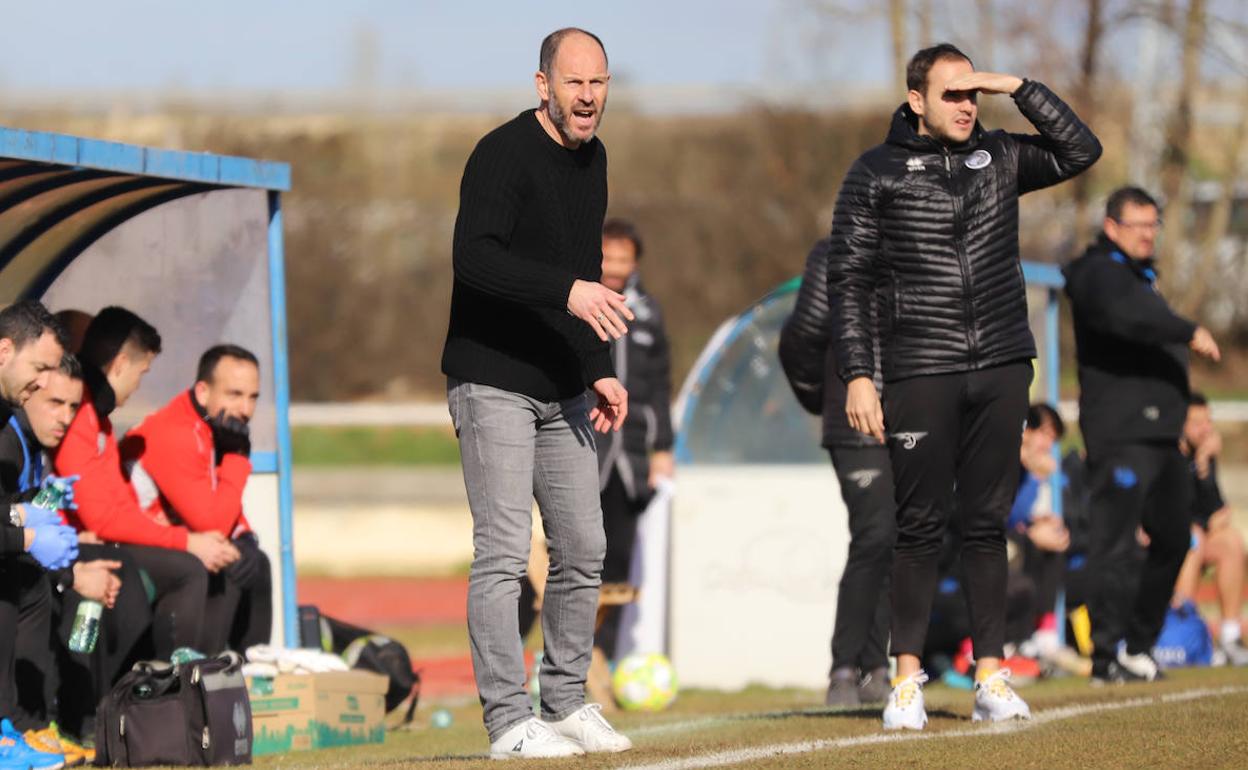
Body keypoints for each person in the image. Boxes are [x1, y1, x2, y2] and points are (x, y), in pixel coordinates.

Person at [827, 42, 1100, 728]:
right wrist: (859, 374)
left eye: (974, 92)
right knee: (917, 528)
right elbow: (848, 281)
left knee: (985, 524)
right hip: (920, 368)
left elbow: (1080, 151)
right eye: (952, 93)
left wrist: (1020, 86)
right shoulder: (874, 171)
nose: (966, 104)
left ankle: (990, 677)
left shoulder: (1001, 156)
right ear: (915, 99)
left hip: (1004, 362)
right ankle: (907, 680)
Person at [440, 27, 633, 759]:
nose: (588, 97)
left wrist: (598, 367)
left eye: (600, 82)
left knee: (585, 546)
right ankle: (507, 721)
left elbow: (579, 273)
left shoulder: (596, 160)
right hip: (492, 379)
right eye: (575, 82)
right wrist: (571, 291)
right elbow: (475, 259)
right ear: (542, 85)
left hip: (562, 384)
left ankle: (565, 700)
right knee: (503, 551)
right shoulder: (502, 153)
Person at [1064, 186, 1221, 684]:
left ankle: (1138, 644)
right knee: (1116, 545)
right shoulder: (1097, 273)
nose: (1149, 234)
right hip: (1121, 435)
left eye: (1155, 224)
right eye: (1140, 225)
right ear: (1112, 227)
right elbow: (1126, 318)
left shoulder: (1142, 279)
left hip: (1161, 437)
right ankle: (1105, 655)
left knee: (1177, 538)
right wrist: (1186, 329)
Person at [53, 307, 239, 659]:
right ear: (121, 363)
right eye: (142, 372)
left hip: (95, 542)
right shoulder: (79, 414)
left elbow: (119, 506)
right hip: (70, 548)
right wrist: (187, 541)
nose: (140, 385)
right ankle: (168, 692)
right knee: (187, 571)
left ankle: (200, 683)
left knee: (224, 565)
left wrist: (185, 539)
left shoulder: (99, 419)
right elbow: (102, 518)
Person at [779, 238, 893, 707]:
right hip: (858, 424)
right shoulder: (833, 253)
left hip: (917, 416)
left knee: (901, 540)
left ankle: (878, 667)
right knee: (875, 535)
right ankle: (844, 669)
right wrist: (827, 397)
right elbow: (801, 337)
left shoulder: (926, 242)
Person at [0, 354, 133, 758]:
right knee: (29, 584)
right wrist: (71, 576)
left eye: (74, 407)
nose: (65, 417)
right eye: (55, 403)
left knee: (112, 571)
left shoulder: (35, 447)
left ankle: (68, 721)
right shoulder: (9, 441)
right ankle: (25, 723)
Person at [121, 344, 272, 654]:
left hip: (162, 539)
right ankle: (200, 680)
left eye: (253, 397)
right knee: (221, 560)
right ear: (203, 392)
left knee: (254, 562)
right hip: (124, 544)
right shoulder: (178, 431)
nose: (245, 409)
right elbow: (212, 522)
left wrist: (246, 538)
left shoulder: (210, 427)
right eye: (234, 394)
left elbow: (220, 502)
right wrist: (239, 456)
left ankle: (253, 673)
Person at [593, 218, 673, 661]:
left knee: (619, 560)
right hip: (587, 447)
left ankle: (603, 659)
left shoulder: (649, 311)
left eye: (625, 258)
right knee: (571, 554)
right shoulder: (579, 301)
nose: (617, 266)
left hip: (633, 456)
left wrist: (663, 448)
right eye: (609, 256)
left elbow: (661, 386)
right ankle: (546, 660)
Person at [1171, 392, 1246, 666]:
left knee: (1231, 542)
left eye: (1209, 422)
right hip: (1167, 541)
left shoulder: (1203, 455)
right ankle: (1185, 634)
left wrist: (1203, 467)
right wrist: (1205, 522)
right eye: (1198, 423)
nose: (1206, 429)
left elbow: (1218, 510)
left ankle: (1230, 637)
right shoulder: (1168, 455)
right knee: (1194, 538)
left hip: (1197, 536)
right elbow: (1176, 510)